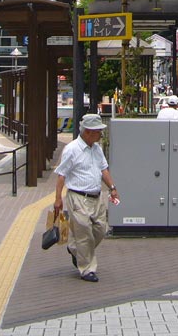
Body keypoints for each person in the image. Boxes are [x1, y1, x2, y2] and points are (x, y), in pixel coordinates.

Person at [53, 113, 119, 283]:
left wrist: (112, 188)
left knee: (100, 229)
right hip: (78, 197)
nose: (101, 134)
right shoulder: (72, 149)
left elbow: (104, 170)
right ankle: (87, 269)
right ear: (88, 132)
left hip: (96, 197)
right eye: (98, 131)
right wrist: (58, 199)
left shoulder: (96, 149)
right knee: (84, 233)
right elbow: (61, 175)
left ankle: (75, 249)